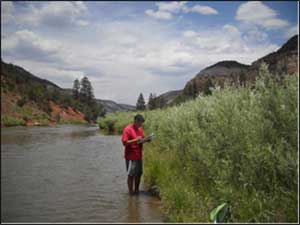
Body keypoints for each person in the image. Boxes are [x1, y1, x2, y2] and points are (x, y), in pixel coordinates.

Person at [122, 114, 149, 195]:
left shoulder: (140, 129)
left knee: (139, 173)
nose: (141, 125)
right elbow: (124, 143)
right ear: (135, 121)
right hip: (130, 157)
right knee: (131, 175)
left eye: (141, 123)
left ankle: (136, 190)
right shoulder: (127, 129)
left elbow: (141, 139)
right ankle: (131, 193)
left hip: (138, 156)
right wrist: (135, 140)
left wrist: (147, 139)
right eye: (140, 122)